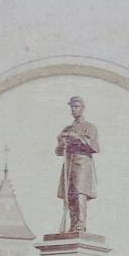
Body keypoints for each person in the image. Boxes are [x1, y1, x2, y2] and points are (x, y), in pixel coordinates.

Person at [55, 96, 99, 232]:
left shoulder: (89, 127)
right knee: (69, 196)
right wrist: (62, 143)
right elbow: (58, 151)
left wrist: (77, 138)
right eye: (72, 107)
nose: (74, 110)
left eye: (76, 106)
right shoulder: (67, 128)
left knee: (80, 193)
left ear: (82, 108)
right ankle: (72, 225)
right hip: (69, 164)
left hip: (82, 164)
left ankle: (80, 224)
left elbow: (94, 147)